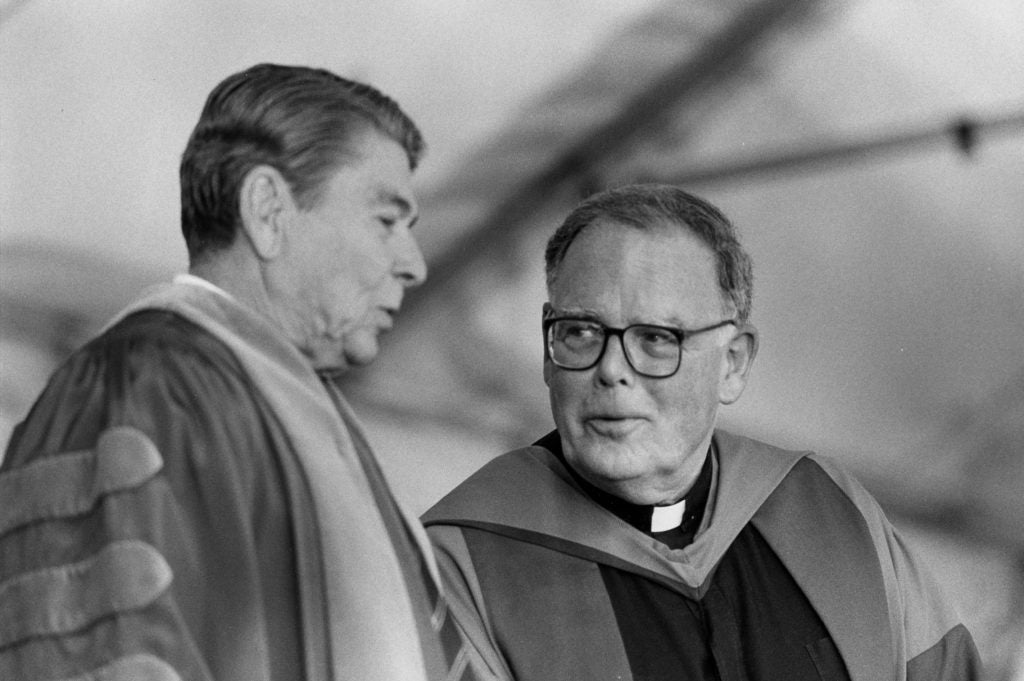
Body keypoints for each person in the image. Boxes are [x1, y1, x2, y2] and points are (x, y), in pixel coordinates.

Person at [0, 64, 486, 681]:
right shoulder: (147, 383)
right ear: (267, 211)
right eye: (386, 222)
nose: (413, 264)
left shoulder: (318, 423)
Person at [423, 184, 981, 681]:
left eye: (658, 338)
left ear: (733, 363)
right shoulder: (463, 559)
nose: (612, 369)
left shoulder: (827, 512)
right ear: (548, 354)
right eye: (580, 331)